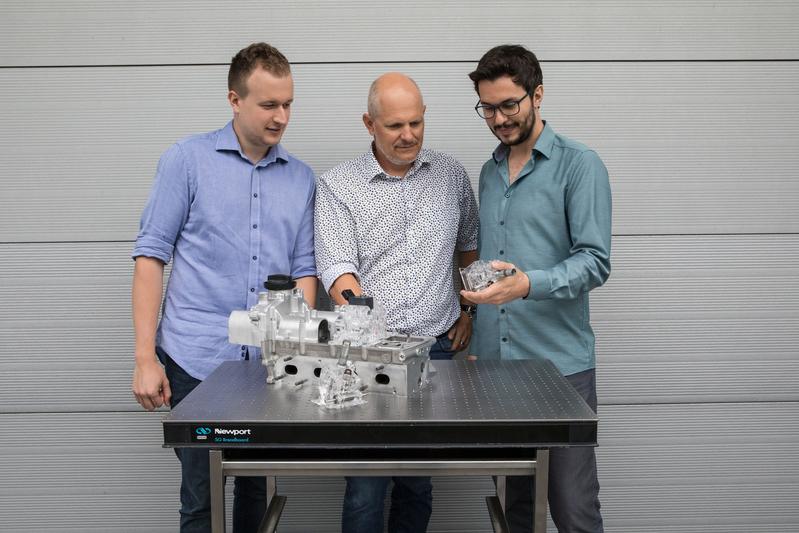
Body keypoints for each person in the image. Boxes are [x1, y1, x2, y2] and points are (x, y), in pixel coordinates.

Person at [131, 42, 316, 533]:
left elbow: (304, 273)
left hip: (267, 369)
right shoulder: (186, 161)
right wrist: (145, 358)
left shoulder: (301, 179)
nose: (281, 117)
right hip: (196, 362)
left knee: (258, 494)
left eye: (288, 104)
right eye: (269, 104)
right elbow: (150, 258)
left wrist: (296, 350)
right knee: (201, 498)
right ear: (234, 100)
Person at [314, 72, 479, 533]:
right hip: (367, 357)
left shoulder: (451, 176)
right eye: (393, 126)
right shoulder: (337, 186)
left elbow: (469, 248)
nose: (408, 135)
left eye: (416, 123)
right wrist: (369, 331)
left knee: (416, 482)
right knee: (366, 487)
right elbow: (338, 274)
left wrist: (469, 311)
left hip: (436, 350)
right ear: (369, 124)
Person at [462, 45, 611, 533]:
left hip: (560, 369)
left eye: (510, 104)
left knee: (573, 510)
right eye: (488, 107)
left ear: (538, 94)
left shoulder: (580, 165)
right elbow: (487, 261)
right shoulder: (487, 172)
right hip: (497, 373)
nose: (499, 118)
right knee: (515, 509)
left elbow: (594, 262)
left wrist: (529, 285)